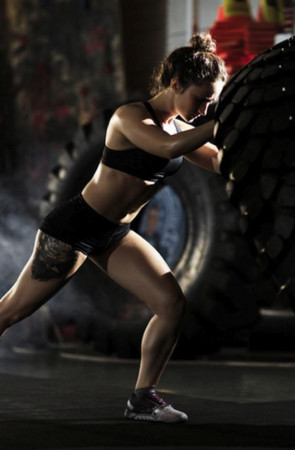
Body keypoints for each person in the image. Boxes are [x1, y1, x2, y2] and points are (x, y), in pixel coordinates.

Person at [0, 33, 228, 423]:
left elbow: (219, 162)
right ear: (175, 84)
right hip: (74, 228)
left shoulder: (180, 129)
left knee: (171, 305)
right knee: (10, 311)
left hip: (115, 236)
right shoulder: (130, 117)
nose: (205, 108)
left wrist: (252, 131)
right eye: (201, 99)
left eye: (212, 103)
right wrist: (222, 123)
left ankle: (142, 399)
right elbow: (166, 148)